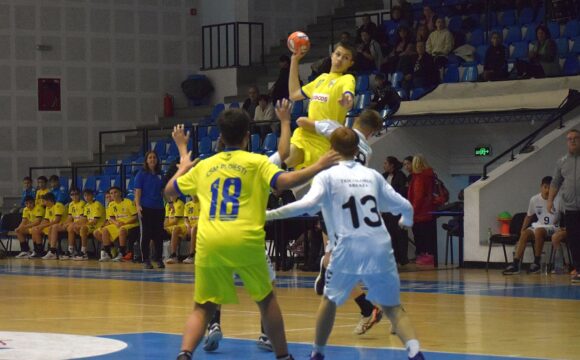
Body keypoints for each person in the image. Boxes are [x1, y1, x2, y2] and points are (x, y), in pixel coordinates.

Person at [164, 108, 340, 360]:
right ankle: (283, 356)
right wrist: (319, 165)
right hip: (245, 238)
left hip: (210, 240)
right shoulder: (257, 163)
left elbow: (169, 191)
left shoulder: (205, 166)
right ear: (247, 136)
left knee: (202, 306)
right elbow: (286, 181)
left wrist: (182, 164)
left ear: (221, 138)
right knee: (266, 300)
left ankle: (184, 354)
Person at [266, 128, 425, 360]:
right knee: (392, 307)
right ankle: (414, 351)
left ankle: (317, 353)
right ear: (356, 149)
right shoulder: (373, 176)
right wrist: (406, 220)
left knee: (329, 301)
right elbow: (405, 205)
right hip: (379, 244)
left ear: (331, 149)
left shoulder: (327, 176)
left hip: (348, 246)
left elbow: (303, 206)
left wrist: (269, 215)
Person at [297, 110, 389, 335]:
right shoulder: (367, 149)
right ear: (373, 131)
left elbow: (301, 121)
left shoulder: (339, 132)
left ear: (355, 120)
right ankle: (371, 306)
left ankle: (371, 308)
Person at [287, 41, 356, 170]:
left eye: (345, 57)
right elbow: (294, 94)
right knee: (287, 159)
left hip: (325, 142)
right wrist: (294, 60)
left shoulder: (347, 79)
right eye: (338, 54)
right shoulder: (321, 79)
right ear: (332, 55)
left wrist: (348, 100)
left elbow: (349, 93)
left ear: (350, 63)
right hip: (305, 133)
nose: (340, 59)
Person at [503, 176, 563, 275]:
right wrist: (522, 230)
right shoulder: (534, 199)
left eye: (550, 188)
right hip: (539, 225)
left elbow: (567, 214)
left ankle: (536, 263)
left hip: (553, 227)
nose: (547, 190)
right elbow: (528, 216)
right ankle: (515, 264)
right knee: (525, 233)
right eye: (545, 187)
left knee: (539, 231)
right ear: (541, 187)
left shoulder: (558, 199)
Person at [548, 129, 580, 284]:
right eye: (569, 139)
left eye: (575, 138)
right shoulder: (561, 162)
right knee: (574, 239)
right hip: (571, 209)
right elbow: (555, 183)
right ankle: (579, 270)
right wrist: (549, 201)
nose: (572, 141)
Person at [135, 150, 166, 269]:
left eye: (154, 157)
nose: (152, 159)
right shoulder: (141, 174)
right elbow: (138, 192)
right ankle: (146, 259)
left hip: (159, 208)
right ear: (146, 161)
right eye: (150, 158)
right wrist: (138, 206)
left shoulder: (160, 174)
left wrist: (170, 202)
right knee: (146, 234)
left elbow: (163, 191)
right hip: (145, 208)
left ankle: (158, 259)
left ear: (157, 160)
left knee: (158, 235)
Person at [408, 154, 437, 266]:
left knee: (420, 236)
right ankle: (430, 255)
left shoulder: (419, 178)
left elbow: (418, 197)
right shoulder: (430, 176)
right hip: (429, 210)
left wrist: (412, 211)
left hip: (420, 213)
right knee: (428, 235)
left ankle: (424, 256)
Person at [43, 187, 86, 260]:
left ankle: (71, 250)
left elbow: (82, 218)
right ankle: (52, 251)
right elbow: (69, 217)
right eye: (72, 194)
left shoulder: (82, 203)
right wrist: (64, 223)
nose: (74, 196)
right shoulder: (71, 204)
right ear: (70, 196)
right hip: (72, 223)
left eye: (76, 194)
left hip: (79, 223)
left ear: (80, 195)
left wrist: (69, 223)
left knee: (70, 227)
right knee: (54, 227)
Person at [98, 186, 138, 263]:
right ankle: (107, 254)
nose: (113, 194)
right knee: (105, 229)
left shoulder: (128, 202)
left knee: (122, 229)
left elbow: (135, 217)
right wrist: (116, 223)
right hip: (118, 224)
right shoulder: (111, 204)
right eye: (111, 193)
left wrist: (125, 223)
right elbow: (111, 218)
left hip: (130, 223)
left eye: (115, 192)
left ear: (120, 193)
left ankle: (122, 253)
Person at [383, 156, 410, 266]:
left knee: (399, 234)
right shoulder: (383, 176)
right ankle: (392, 258)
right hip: (386, 209)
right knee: (389, 234)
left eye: (386, 163)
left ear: (392, 165)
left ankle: (402, 258)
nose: (383, 165)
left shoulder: (400, 176)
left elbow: (402, 193)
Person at [29, 193, 67, 258]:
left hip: (61, 226)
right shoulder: (47, 208)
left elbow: (57, 220)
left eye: (44, 201)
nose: (42, 203)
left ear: (49, 200)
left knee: (51, 228)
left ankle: (52, 251)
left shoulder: (58, 205)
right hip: (52, 225)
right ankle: (38, 251)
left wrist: (43, 226)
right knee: (35, 230)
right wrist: (39, 226)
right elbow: (46, 220)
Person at [166, 196, 199, 264]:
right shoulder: (187, 205)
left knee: (194, 228)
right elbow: (186, 219)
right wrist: (188, 226)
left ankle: (192, 255)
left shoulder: (203, 204)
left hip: (199, 226)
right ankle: (173, 255)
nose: (193, 194)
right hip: (189, 225)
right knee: (176, 229)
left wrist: (192, 227)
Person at [74, 188, 105, 261]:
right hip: (91, 226)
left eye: (88, 195)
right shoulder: (87, 205)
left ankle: (84, 252)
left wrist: (82, 225)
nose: (86, 197)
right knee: (75, 227)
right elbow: (84, 219)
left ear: (92, 196)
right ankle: (80, 250)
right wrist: (75, 223)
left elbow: (95, 221)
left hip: (98, 225)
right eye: (85, 196)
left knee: (83, 228)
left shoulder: (97, 204)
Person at [163, 195, 185, 264]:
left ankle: (173, 255)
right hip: (170, 227)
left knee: (175, 230)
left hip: (179, 225)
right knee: (155, 231)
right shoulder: (167, 205)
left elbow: (176, 221)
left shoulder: (180, 203)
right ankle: (155, 256)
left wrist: (164, 226)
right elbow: (166, 219)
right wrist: (163, 226)